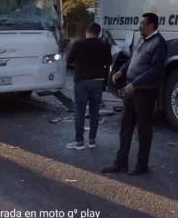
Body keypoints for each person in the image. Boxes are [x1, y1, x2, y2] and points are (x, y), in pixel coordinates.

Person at [102, 12, 167, 175]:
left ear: (151, 25)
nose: (139, 27)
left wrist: (135, 84)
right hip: (130, 90)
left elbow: (155, 71)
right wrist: (121, 72)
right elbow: (132, 60)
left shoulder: (159, 44)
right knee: (125, 127)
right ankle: (120, 162)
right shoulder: (142, 40)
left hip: (145, 92)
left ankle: (141, 165)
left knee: (143, 129)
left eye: (142, 24)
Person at [65, 22, 112, 150]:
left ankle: (79, 142)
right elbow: (109, 62)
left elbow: (68, 60)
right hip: (97, 81)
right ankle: (92, 141)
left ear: (87, 31)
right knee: (94, 112)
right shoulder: (104, 46)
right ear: (98, 33)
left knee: (79, 112)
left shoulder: (78, 44)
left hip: (81, 81)